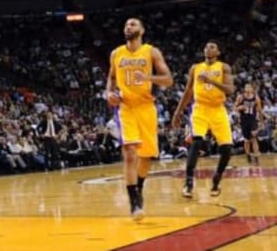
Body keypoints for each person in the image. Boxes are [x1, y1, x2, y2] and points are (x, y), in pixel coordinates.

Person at [105, 18, 173, 221]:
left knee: (146, 156)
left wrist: (149, 78)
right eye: (126, 24)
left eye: (133, 24)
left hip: (146, 107)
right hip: (126, 107)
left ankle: (139, 186)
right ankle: (134, 201)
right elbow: (111, 77)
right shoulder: (116, 54)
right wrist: (108, 93)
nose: (128, 27)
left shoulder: (151, 52)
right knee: (129, 152)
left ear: (142, 30)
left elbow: (168, 80)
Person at [172, 40, 235, 198]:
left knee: (227, 149)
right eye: (206, 46)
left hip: (218, 110)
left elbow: (231, 90)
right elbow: (187, 92)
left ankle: (217, 178)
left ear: (218, 52)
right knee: (197, 141)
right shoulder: (195, 68)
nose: (208, 48)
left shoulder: (223, 67)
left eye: (212, 47)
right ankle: (188, 182)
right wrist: (177, 112)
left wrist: (211, 81)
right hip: (200, 109)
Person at [234, 83, 263, 165]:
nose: (247, 88)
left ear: (252, 89)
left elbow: (260, 110)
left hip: (253, 120)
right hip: (244, 120)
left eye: (249, 87)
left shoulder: (256, 98)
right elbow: (235, 107)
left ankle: (256, 157)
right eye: (246, 87)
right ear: (244, 88)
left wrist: (262, 122)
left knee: (254, 138)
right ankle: (248, 155)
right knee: (247, 140)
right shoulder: (240, 97)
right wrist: (239, 108)